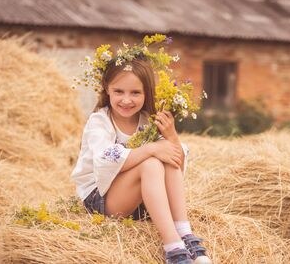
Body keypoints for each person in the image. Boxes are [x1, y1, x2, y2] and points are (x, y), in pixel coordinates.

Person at [71, 56, 211, 264]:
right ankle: (173, 248)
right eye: (119, 91)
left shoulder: (148, 120)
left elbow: (177, 168)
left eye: (135, 92)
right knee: (152, 161)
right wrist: (153, 148)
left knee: (166, 155)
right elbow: (106, 162)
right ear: (106, 89)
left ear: (147, 93)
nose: (126, 100)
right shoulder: (100, 122)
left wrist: (171, 136)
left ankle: (184, 232)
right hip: (101, 199)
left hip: (139, 202)